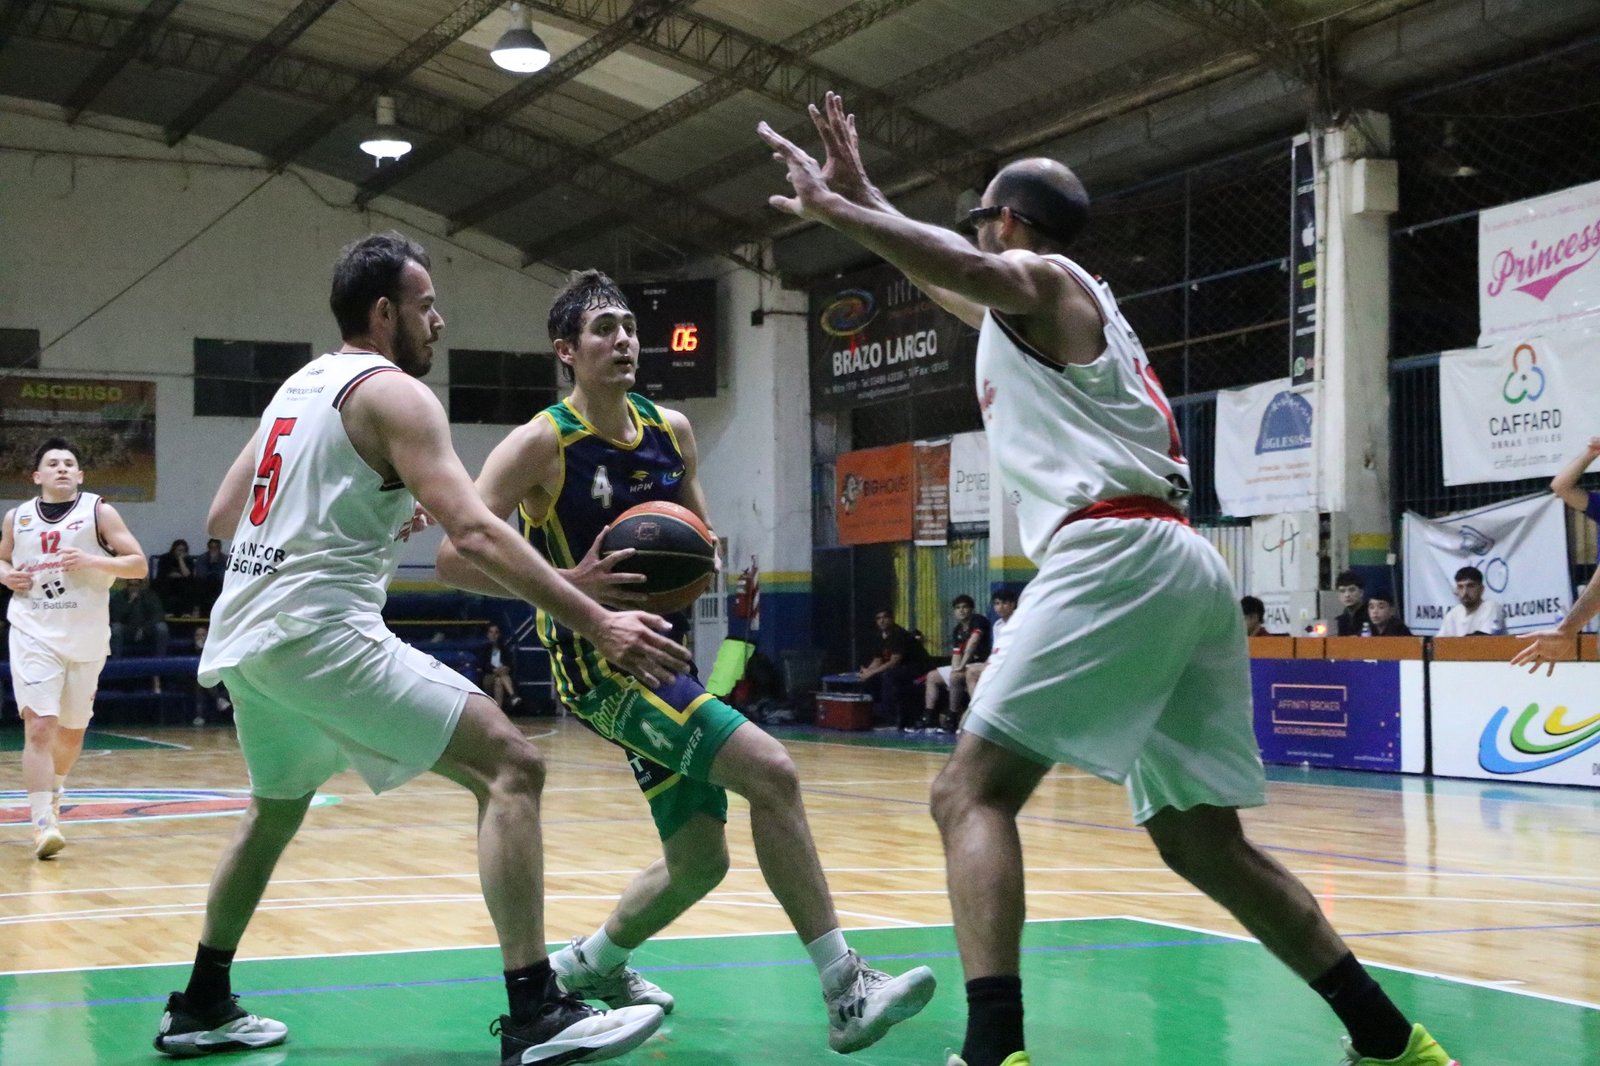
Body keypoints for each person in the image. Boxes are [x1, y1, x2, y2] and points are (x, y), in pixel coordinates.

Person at [759, 92, 1458, 1066]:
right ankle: (1391, 1040)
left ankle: (995, 1049)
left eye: (982, 224)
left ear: (1008, 223)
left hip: (1114, 551)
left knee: (968, 793)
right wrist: (865, 199)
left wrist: (835, 210)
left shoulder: (1048, 280)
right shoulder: (1047, 314)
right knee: (1203, 842)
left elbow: (966, 267)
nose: (975, 240)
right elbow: (948, 271)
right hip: (1179, 562)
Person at [153, 234, 690, 1063]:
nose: (438, 321)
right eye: (427, 305)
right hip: (319, 629)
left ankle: (201, 1004)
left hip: (248, 634)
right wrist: (593, 615)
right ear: (384, 312)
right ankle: (536, 1012)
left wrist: (365, 501)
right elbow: (473, 532)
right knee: (512, 765)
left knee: (275, 809)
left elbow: (225, 516)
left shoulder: (299, 387)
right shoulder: (397, 394)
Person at [435, 268, 936, 1056]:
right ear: (567, 350)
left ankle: (591, 964)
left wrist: (706, 563)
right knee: (772, 771)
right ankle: (847, 990)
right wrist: (572, 584)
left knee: (700, 859)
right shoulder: (542, 442)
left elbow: (698, 545)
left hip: (666, 661)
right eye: (603, 328)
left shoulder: (672, 431)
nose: (624, 340)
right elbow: (452, 558)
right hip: (597, 668)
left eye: (629, 326)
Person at [0, 437, 151, 859]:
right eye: (53, 463)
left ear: (80, 475)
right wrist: (5, 575)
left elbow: (138, 565)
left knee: (71, 733)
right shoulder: (17, 517)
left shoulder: (99, 511)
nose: (62, 468)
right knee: (40, 725)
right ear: (37, 476)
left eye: (69, 463)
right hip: (33, 629)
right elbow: (2, 560)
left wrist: (91, 561)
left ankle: (55, 790)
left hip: (85, 635)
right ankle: (41, 823)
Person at [924, 594, 991, 732]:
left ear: (971, 609)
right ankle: (928, 717)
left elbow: (972, 643)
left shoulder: (978, 621)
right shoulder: (957, 630)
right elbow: (956, 653)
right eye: (958, 608)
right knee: (932, 676)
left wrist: (960, 666)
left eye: (965, 607)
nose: (961, 610)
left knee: (955, 676)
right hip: (965, 665)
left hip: (980, 663)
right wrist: (956, 667)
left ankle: (952, 715)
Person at [858, 607, 927, 730]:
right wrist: (867, 671)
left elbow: (894, 661)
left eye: (885, 617)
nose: (882, 621)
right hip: (899, 669)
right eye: (878, 618)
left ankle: (890, 720)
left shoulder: (899, 634)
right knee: (870, 678)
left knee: (888, 676)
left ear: (892, 619)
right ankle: (870, 715)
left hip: (917, 670)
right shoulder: (879, 636)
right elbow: (877, 660)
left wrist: (871, 672)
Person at [963, 590, 1015, 694]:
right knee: (970, 670)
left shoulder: (1019, 622)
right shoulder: (998, 625)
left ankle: (977, 704)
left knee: (972, 673)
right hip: (999, 663)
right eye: (997, 603)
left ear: (1013, 604)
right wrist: (988, 662)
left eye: (1004, 603)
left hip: (1012, 663)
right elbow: (996, 649)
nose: (1000, 607)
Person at [109, 576, 170, 657]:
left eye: (136, 585)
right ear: (127, 586)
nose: (133, 588)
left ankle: (160, 660)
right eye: (131, 585)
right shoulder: (119, 597)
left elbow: (158, 616)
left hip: (146, 631)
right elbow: (115, 617)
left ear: (140, 586)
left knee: (162, 628)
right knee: (116, 629)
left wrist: (144, 629)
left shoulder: (150, 596)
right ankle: (116, 661)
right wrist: (129, 603)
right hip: (128, 630)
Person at [1436, 566, 1505, 637]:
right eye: (1460, 587)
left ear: (1481, 589)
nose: (1465, 592)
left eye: (1470, 586)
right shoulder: (1453, 613)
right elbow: (1439, 642)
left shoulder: (1491, 607)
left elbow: (1484, 639)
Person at [478, 622, 521, 712]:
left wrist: (506, 668)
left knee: (498, 681)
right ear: (488, 635)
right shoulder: (484, 649)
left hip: (501, 677)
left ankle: (498, 711)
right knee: (500, 675)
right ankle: (513, 696)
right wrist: (494, 670)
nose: (494, 635)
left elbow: (510, 665)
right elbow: (482, 665)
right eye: (491, 632)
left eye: (496, 632)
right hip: (488, 677)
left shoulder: (504, 649)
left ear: (499, 635)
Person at [154, 538, 198, 615]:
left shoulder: (188, 560)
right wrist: (180, 575)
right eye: (179, 550)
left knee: (189, 586)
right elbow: (165, 574)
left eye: (183, 550)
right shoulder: (165, 558)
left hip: (183, 583)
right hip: (168, 582)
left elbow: (187, 575)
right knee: (162, 585)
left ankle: (187, 612)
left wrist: (181, 560)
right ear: (174, 550)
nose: (181, 552)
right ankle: (167, 611)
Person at [191, 537, 230, 613]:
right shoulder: (202, 558)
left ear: (219, 548)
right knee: (200, 584)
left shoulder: (225, 559)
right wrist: (211, 563)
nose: (214, 550)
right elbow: (201, 574)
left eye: (216, 548)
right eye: (212, 548)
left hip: (219, 583)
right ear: (208, 548)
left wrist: (215, 564)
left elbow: (223, 576)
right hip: (205, 584)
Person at [1333, 571, 1372, 636]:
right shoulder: (1339, 621)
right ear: (1338, 595)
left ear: (1361, 592)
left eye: (1351, 590)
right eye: (1342, 591)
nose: (1347, 595)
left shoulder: (1373, 617)